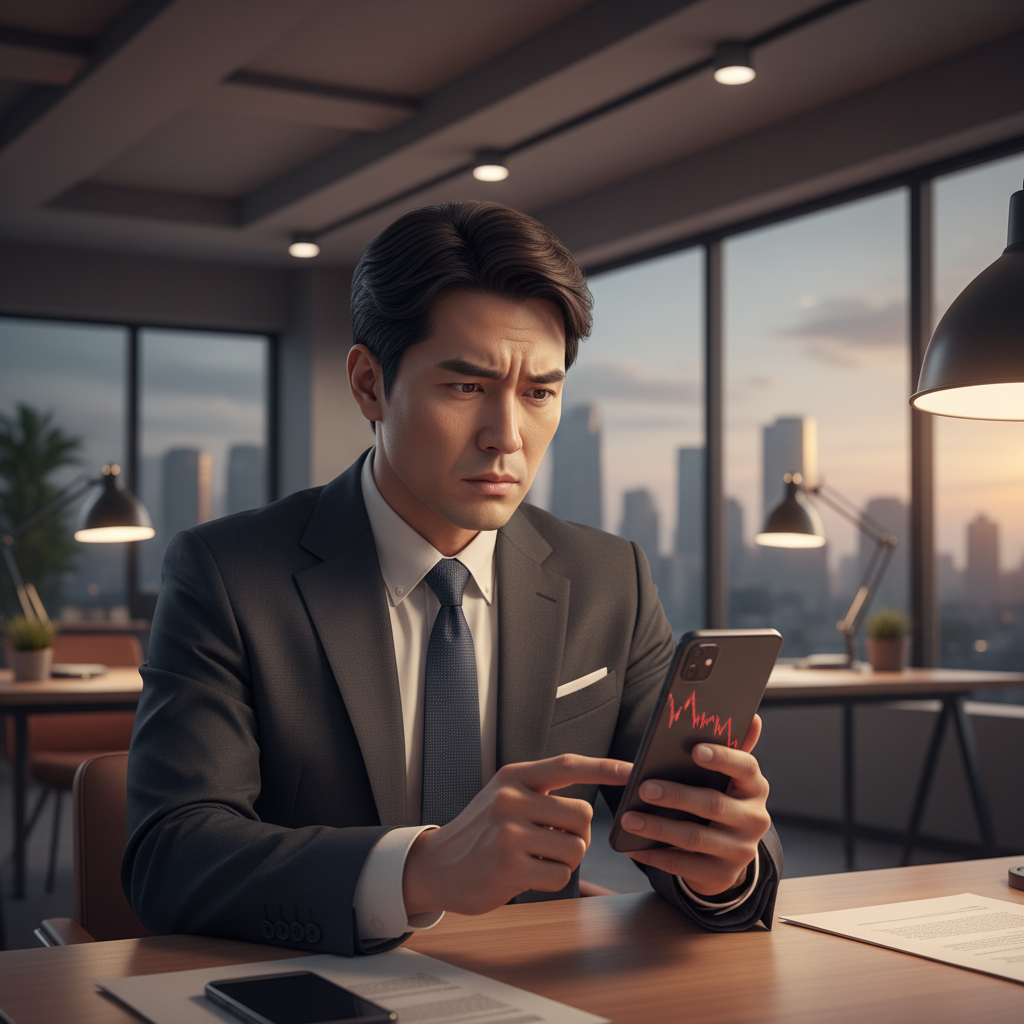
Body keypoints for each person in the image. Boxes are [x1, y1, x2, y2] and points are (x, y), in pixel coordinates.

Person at [123, 201, 781, 957]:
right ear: (369, 385)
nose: (507, 436)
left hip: (539, 985)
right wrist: (420, 870)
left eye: (539, 392)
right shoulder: (229, 574)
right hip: (312, 985)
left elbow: (681, 825)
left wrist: (721, 867)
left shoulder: (609, 579)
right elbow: (170, 856)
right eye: (466, 387)